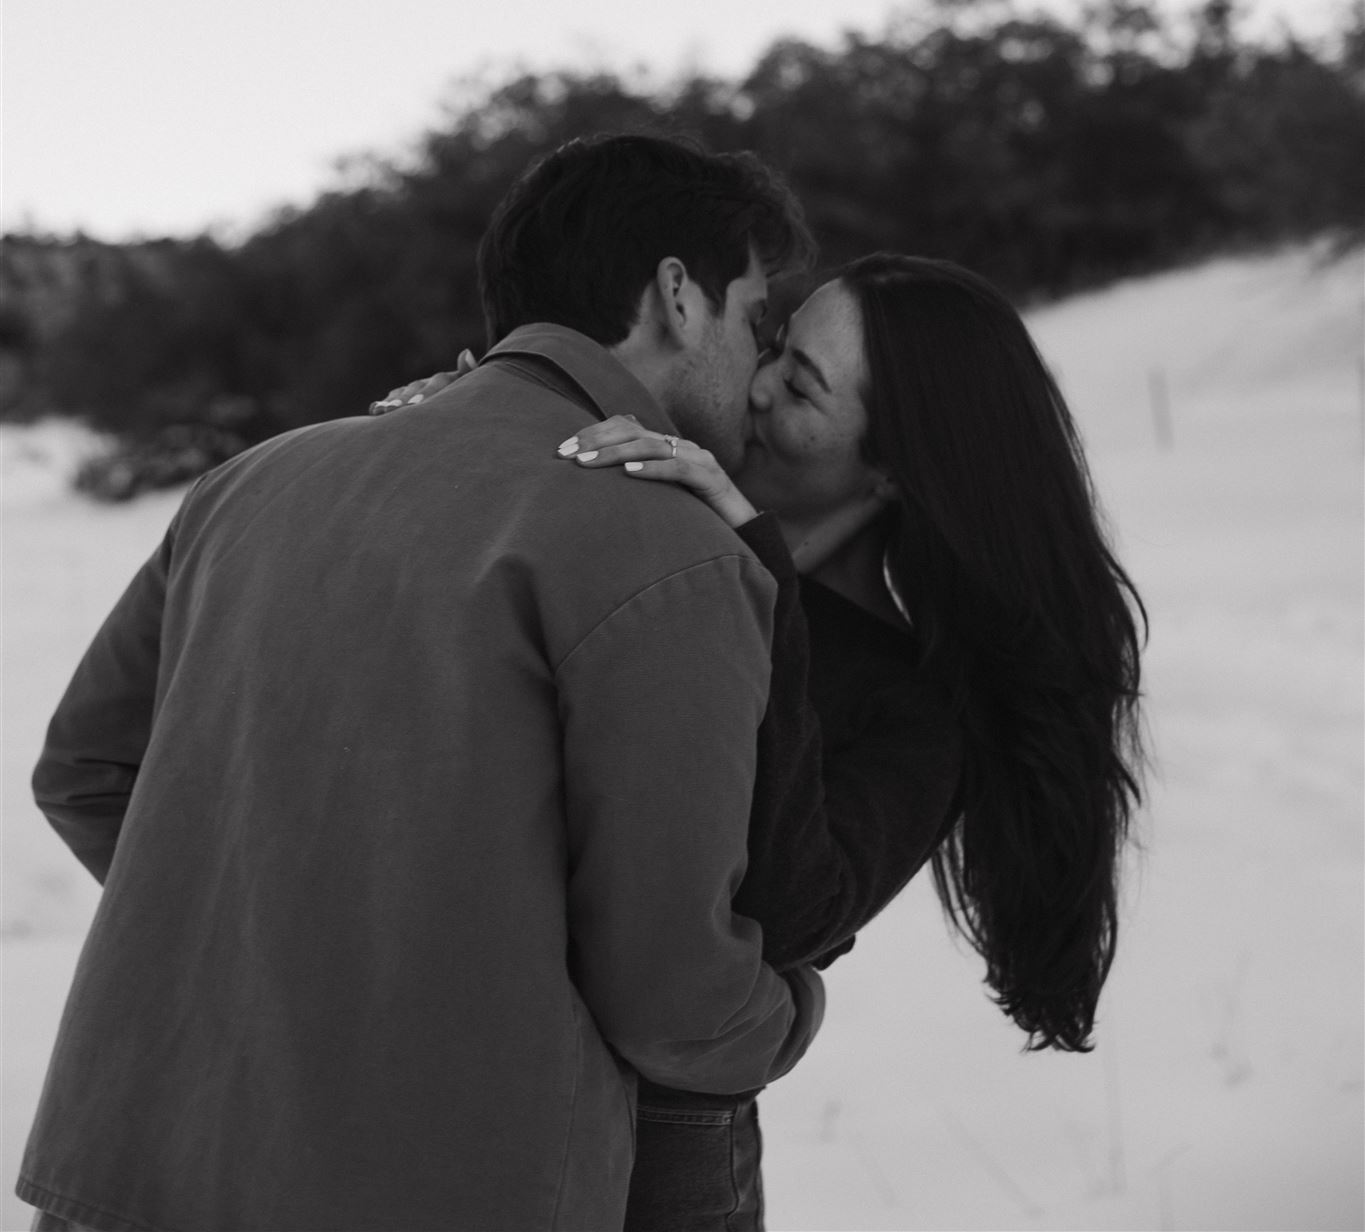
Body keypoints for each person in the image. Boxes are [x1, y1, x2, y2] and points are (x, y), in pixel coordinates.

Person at [18, 134, 827, 1232]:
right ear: (678, 298)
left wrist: (291, 937)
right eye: (756, 316)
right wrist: (790, 1007)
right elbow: (672, 994)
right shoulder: (665, 544)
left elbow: (84, 771)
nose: (756, 358)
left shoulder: (251, 480)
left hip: (123, 1176)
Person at [380, 250, 1149, 1231]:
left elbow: (788, 913)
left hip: (659, 1152)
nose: (752, 380)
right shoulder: (637, 516)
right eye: (774, 342)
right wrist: (452, 438)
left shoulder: (911, 710)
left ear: (893, 469)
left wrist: (762, 571)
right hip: (455, 1089)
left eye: (799, 384)